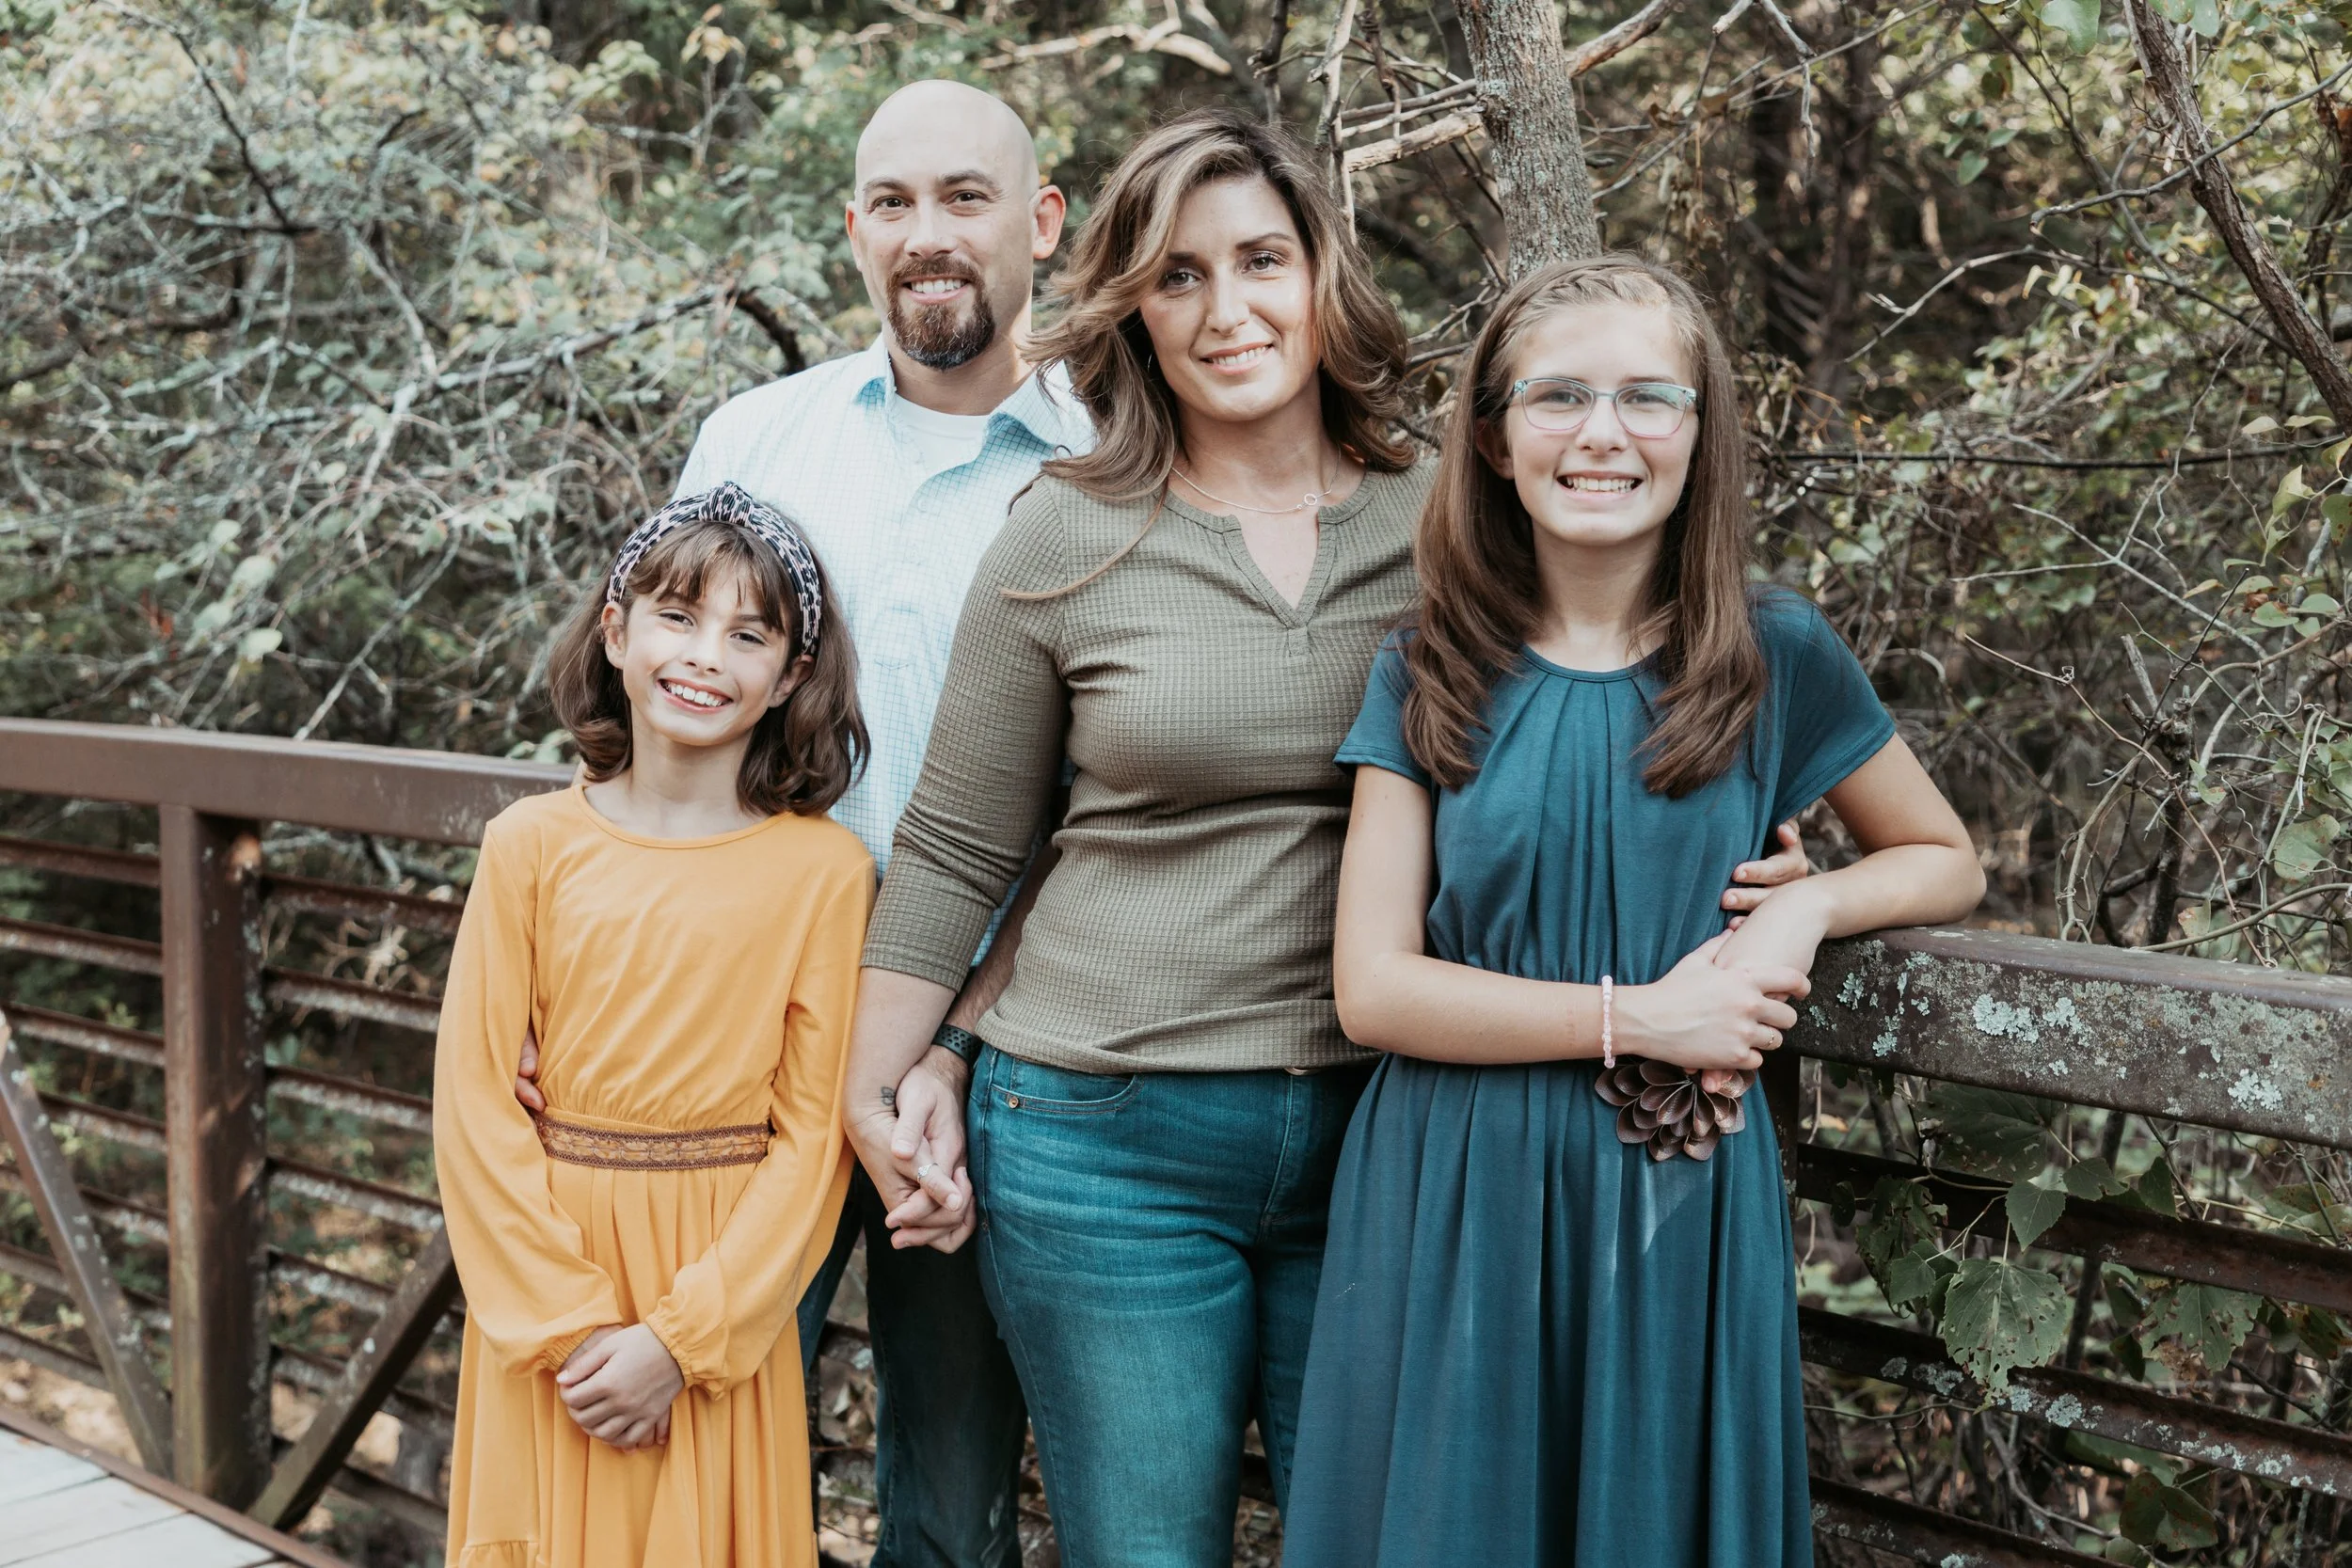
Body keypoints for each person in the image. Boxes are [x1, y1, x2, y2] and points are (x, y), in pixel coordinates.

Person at [846, 114, 1815, 1568]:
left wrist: (1779, 872)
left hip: (1400, 1135)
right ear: (1136, 309)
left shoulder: (1452, 527)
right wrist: (886, 1076)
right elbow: (960, 849)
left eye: (1262, 261)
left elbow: (1614, 703)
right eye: (1179, 277)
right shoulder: (1063, 536)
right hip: (1109, 1140)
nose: (1228, 309)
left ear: (1322, 279)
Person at [1280, 256, 1987, 1565]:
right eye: (1559, 396)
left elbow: (1946, 856)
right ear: (1492, 435)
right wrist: (1645, 1011)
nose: (1603, 434)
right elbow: (1372, 984)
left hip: (1674, 1190)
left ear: (1700, 430)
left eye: (1648, 398)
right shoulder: (1429, 659)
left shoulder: (1772, 651)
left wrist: (1809, 906)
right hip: (1459, 1183)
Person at [510, 79, 1077, 1567]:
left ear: (1043, 218)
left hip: (976, 1055)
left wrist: (945, 1042)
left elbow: (1110, 799)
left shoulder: (1109, 458)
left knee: (949, 1498)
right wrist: (561, 969)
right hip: (724, 1057)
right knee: (677, 1434)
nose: (928, 235)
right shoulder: (756, 436)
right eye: (892, 204)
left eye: (966, 196)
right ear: (854, 231)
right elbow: (670, 703)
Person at [436, 483, 874, 1568]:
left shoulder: (824, 870)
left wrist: (678, 1344)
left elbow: (812, 1137)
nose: (705, 657)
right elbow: (478, 1100)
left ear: (791, 676)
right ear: (618, 632)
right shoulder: (528, 845)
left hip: (718, 1297)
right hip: (552, 1288)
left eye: (748, 633)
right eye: (677, 617)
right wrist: (574, 1330)